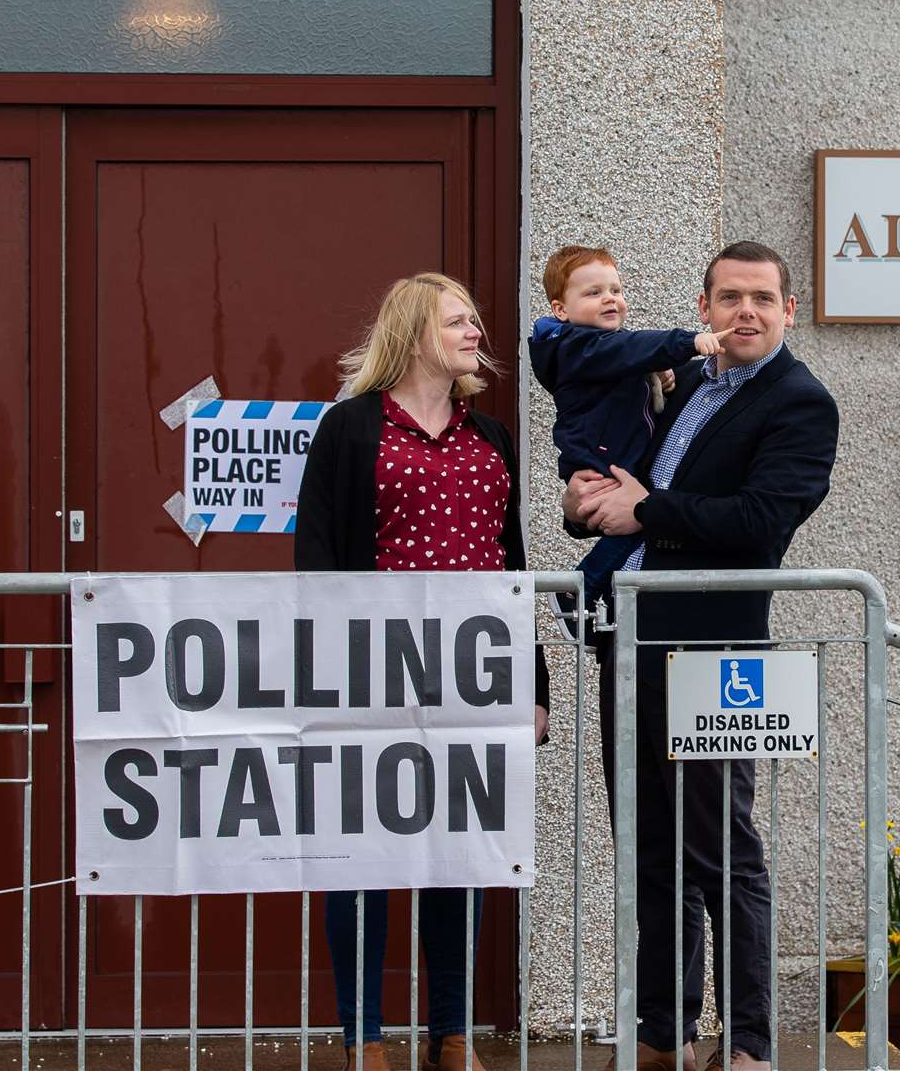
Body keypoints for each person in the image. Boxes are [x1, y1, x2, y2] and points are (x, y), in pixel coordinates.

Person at [563, 242, 838, 1071]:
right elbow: (623, 493)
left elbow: (761, 521)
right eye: (729, 298)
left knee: (724, 852)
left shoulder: (801, 402)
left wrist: (645, 511)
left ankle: (748, 1043)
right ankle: (663, 1032)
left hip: (715, 656)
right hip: (631, 641)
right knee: (647, 847)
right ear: (705, 307)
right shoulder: (680, 385)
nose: (744, 312)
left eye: (761, 298)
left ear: (790, 310)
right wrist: (587, 506)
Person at [295, 272, 549, 1071]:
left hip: (472, 679)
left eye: (475, 320)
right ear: (413, 332)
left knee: (459, 858)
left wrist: (533, 682)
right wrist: (325, 668)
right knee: (364, 856)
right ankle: (364, 1039)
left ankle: (450, 1034)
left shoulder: (493, 437)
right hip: (372, 673)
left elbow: (513, 566)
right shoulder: (350, 429)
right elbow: (317, 556)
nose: (477, 332)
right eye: (458, 320)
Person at [529, 245, 731, 628]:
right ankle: (580, 590)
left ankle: (587, 595)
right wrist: (688, 343)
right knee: (633, 528)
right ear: (561, 310)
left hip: (614, 455)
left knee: (635, 526)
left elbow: (622, 367)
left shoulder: (597, 349)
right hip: (601, 457)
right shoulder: (573, 345)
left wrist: (656, 375)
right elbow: (628, 349)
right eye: (593, 293)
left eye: (616, 290)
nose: (610, 299)